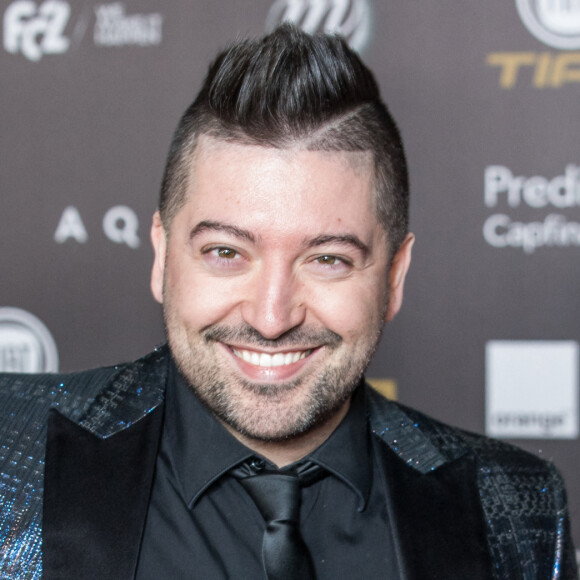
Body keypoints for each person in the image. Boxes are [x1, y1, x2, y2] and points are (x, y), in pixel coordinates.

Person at [0, 24, 576, 580]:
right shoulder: (10, 449)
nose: (271, 318)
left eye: (327, 259)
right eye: (226, 252)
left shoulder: (517, 506)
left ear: (395, 276)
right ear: (162, 256)